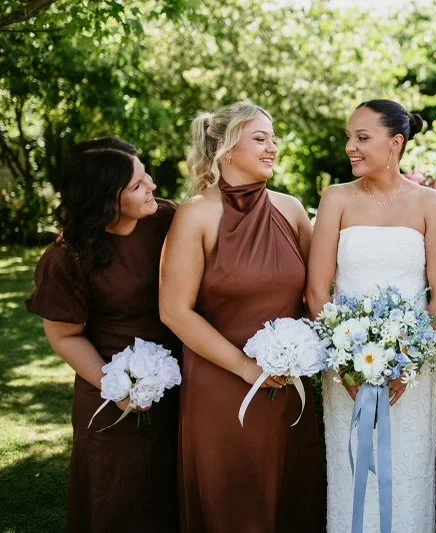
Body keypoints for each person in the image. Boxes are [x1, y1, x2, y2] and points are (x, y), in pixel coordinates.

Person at [159, 101, 325, 532]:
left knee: (291, 492)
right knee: (231, 500)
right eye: (260, 138)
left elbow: (316, 294)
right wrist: (245, 368)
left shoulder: (291, 210)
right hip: (221, 382)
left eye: (273, 138)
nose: (273, 146)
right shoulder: (196, 214)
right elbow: (175, 310)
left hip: (289, 381)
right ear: (226, 150)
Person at [306, 99, 436, 532]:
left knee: (408, 477)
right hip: (345, 370)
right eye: (349, 138)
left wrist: (404, 361)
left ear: (395, 143)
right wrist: (348, 363)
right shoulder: (335, 199)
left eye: (362, 138)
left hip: (411, 371)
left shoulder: (431, 203)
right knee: (352, 477)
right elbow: (317, 291)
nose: (351, 147)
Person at [26, 137, 180, 533]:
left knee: (173, 494)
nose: (153, 189)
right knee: (120, 499)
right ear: (107, 200)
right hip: (111, 392)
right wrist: (120, 386)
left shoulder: (167, 220)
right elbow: (64, 336)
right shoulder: (67, 256)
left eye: (147, 177)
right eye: (138, 186)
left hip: (181, 386)